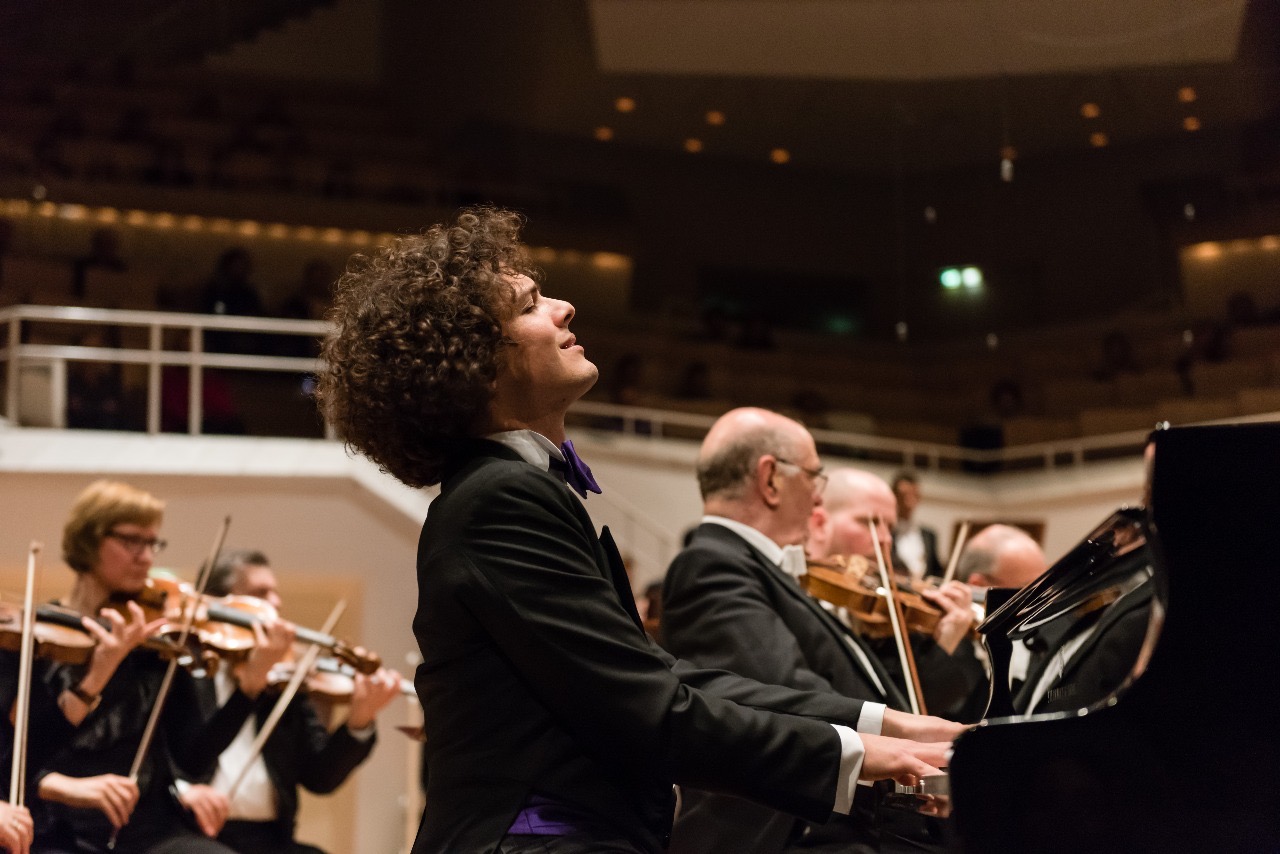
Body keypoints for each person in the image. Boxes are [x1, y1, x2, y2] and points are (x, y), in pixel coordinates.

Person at [315, 207, 953, 854]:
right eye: (533, 304)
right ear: (477, 361)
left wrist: (883, 725)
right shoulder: (500, 500)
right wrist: (861, 756)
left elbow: (661, 675)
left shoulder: (512, 492)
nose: (565, 308)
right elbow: (653, 710)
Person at [661, 408, 963, 854]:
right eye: (813, 477)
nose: (819, 500)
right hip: (796, 833)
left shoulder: (766, 571)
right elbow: (786, 691)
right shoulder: (710, 564)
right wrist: (905, 739)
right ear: (770, 479)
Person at [29, 480, 291, 853]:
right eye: (132, 541)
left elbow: (194, 757)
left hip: (149, 827)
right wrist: (64, 785)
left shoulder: (158, 644)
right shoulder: (43, 638)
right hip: (58, 823)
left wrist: (248, 688)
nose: (146, 556)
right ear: (88, 540)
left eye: (153, 543)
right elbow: (19, 750)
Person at [177, 550, 401, 854]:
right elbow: (189, 758)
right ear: (221, 606)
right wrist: (248, 689)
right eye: (261, 593)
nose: (276, 603)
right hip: (192, 832)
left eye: (275, 593)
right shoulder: (183, 670)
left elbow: (318, 777)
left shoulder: (283, 679)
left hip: (269, 839)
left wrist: (359, 721)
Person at [809, 470, 986, 722]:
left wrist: (945, 643)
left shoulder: (883, 615)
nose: (885, 539)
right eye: (867, 522)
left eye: (890, 527)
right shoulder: (795, 601)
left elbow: (907, 707)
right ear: (819, 521)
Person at [888, 471, 942, 581]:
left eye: (914, 495)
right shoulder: (886, 531)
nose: (909, 501)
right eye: (904, 496)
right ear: (894, 496)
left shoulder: (929, 535)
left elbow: (936, 571)